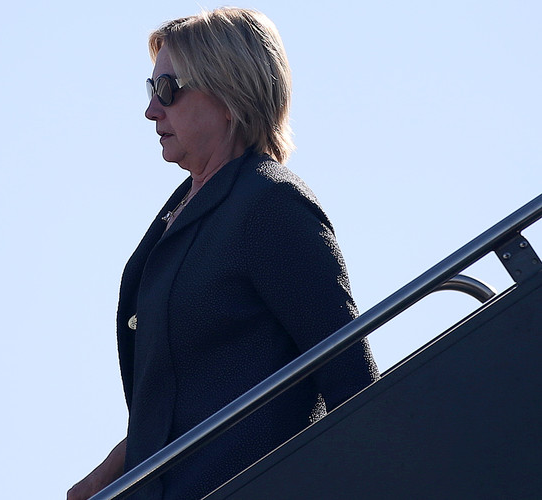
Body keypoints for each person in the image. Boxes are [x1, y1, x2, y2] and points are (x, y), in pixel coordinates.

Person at [68, 8, 379, 500]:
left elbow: (350, 379)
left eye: (168, 90)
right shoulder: (182, 211)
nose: (152, 110)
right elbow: (192, 392)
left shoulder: (270, 205)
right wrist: (115, 469)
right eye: (150, 91)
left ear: (228, 94)